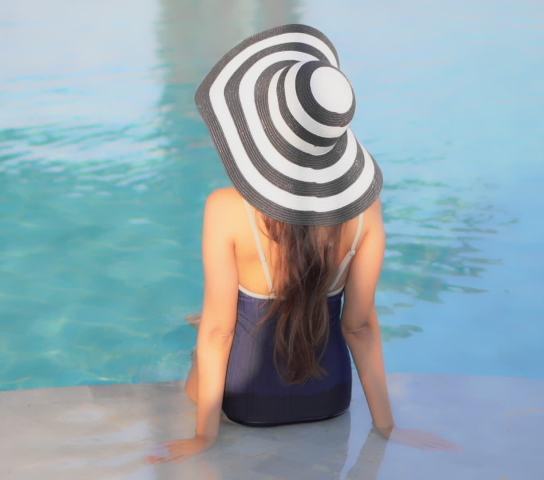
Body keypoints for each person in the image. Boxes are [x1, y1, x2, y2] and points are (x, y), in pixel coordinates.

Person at [146, 24, 458, 464]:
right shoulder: (366, 213)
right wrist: (387, 427)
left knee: (207, 334)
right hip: (329, 399)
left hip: (247, 403)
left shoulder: (226, 208)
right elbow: (360, 327)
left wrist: (204, 439)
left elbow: (221, 331)